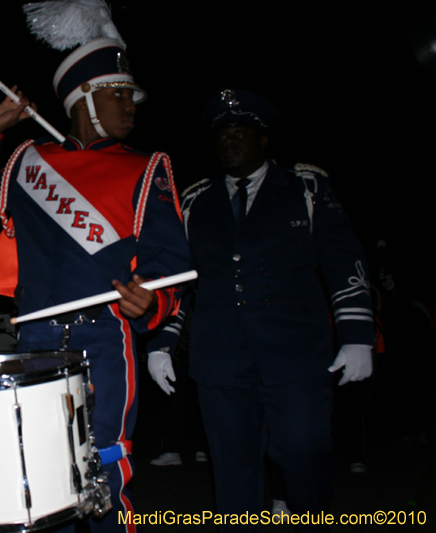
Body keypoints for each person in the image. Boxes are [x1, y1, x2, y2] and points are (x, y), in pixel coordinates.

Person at [0, 25, 190, 532]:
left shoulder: (146, 168)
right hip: (35, 341)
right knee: (44, 480)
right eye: (119, 94)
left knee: (102, 474)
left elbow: (171, 263)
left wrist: (152, 299)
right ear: (84, 97)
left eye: (132, 96)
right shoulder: (29, 161)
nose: (131, 106)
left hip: (105, 339)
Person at [160, 89, 373, 531]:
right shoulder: (196, 201)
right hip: (220, 357)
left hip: (296, 354)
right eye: (222, 136)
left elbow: (343, 260)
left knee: (303, 449)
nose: (230, 142)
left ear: (263, 139)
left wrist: (356, 335)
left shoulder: (305, 187)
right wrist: (164, 341)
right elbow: (181, 281)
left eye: (240, 133)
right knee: (233, 471)